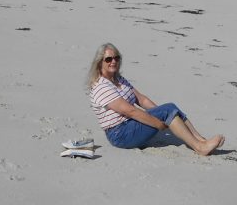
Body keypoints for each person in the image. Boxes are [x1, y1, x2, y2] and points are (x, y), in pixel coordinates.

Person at [87, 43, 224, 156]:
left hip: (130, 124)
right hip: (120, 134)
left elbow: (141, 99)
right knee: (167, 111)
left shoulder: (118, 79)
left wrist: (161, 113)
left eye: (116, 58)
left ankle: (201, 140)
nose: (114, 61)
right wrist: (158, 122)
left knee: (169, 108)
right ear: (99, 63)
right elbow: (130, 111)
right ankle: (199, 147)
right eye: (108, 59)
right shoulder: (101, 86)